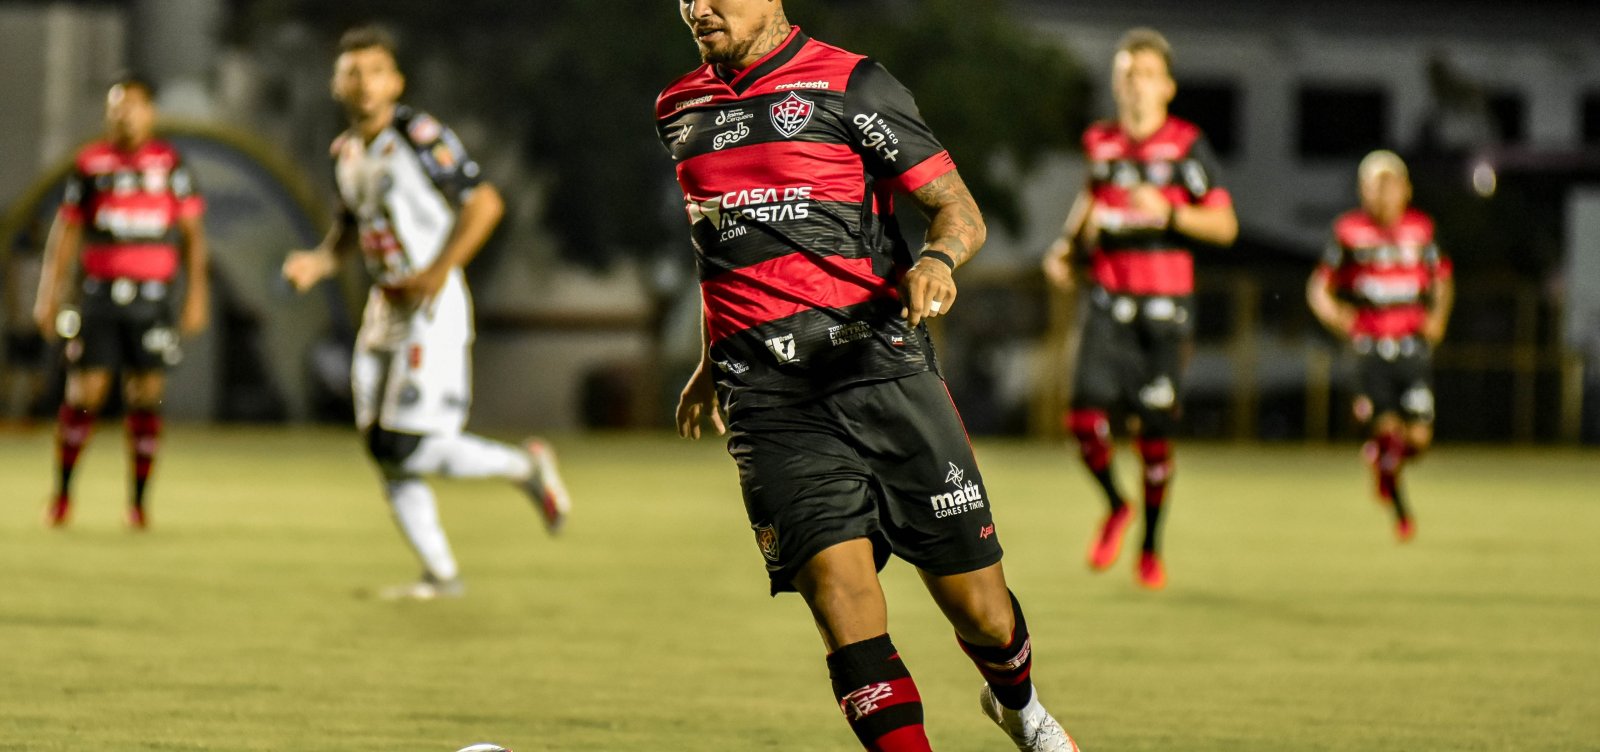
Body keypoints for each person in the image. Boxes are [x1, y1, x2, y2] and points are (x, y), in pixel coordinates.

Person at [660, 2, 1079, 750]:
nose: (700, 5)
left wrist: (935, 261)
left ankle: (1022, 709)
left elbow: (958, 210)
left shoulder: (853, 83)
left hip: (880, 369)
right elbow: (715, 247)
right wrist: (705, 361)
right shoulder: (679, 107)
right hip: (766, 396)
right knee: (839, 596)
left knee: (981, 610)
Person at [283, 27, 571, 600]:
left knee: (408, 444)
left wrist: (438, 271)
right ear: (336, 83)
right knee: (382, 447)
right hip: (384, 309)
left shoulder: (418, 134)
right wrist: (320, 262)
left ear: (396, 81)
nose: (364, 83)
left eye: (375, 71)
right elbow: (350, 222)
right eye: (352, 72)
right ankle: (440, 575)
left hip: (431, 309)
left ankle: (524, 468)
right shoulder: (346, 152)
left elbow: (485, 203)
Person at [1041, 28, 1239, 590]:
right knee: (1082, 421)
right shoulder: (1100, 142)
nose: (1136, 85)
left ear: (1168, 87)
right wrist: (1065, 244)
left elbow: (1225, 225)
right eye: (1127, 74)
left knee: (1154, 439)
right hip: (1107, 301)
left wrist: (1169, 213)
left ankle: (1150, 547)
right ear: (1115, 84)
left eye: (1147, 74)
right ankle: (1114, 505)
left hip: (1166, 311)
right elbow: (1092, 196)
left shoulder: (1185, 145)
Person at [32, 75, 210, 529]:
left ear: (149, 112)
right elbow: (67, 232)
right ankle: (63, 495)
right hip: (99, 296)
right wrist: (48, 294)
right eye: (117, 105)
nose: (124, 113)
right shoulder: (91, 164)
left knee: (146, 395)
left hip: (152, 299)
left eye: (133, 105)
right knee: (86, 394)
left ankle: (138, 504)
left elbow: (192, 236)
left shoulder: (170, 164)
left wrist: (196, 296)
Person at [1307, 150, 1453, 542]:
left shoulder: (1422, 229)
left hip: (1412, 345)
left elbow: (1442, 279)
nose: (1383, 193)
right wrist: (1334, 313)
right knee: (1387, 429)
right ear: (1362, 190)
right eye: (1375, 185)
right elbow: (1319, 285)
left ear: (1406, 189)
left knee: (1418, 441)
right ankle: (1402, 512)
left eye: (1390, 184)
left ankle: (1382, 463)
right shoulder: (1349, 231)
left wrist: (1438, 317)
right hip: (1369, 347)